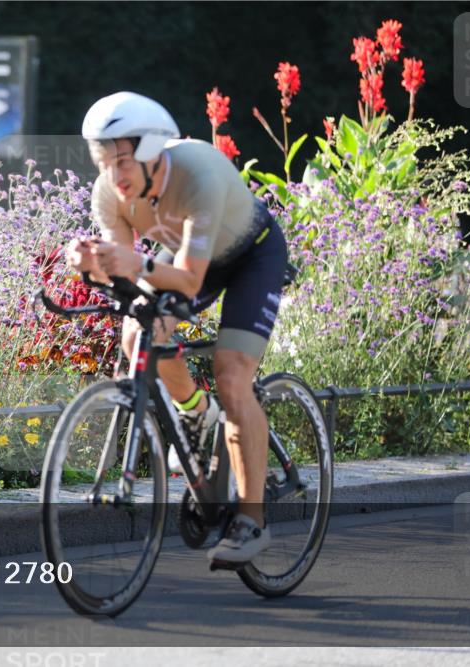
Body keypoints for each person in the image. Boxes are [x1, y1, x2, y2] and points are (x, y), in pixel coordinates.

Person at [65, 91, 289, 564]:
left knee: (231, 377)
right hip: (189, 258)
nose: (114, 174)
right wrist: (91, 264)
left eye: (123, 159)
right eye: (104, 160)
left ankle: (252, 521)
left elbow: (187, 280)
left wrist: (134, 261)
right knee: (135, 334)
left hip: (251, 256)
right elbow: (128, 275)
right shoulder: (110, 192)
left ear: (150, 150)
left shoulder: (198, 173)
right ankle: (192, 409)